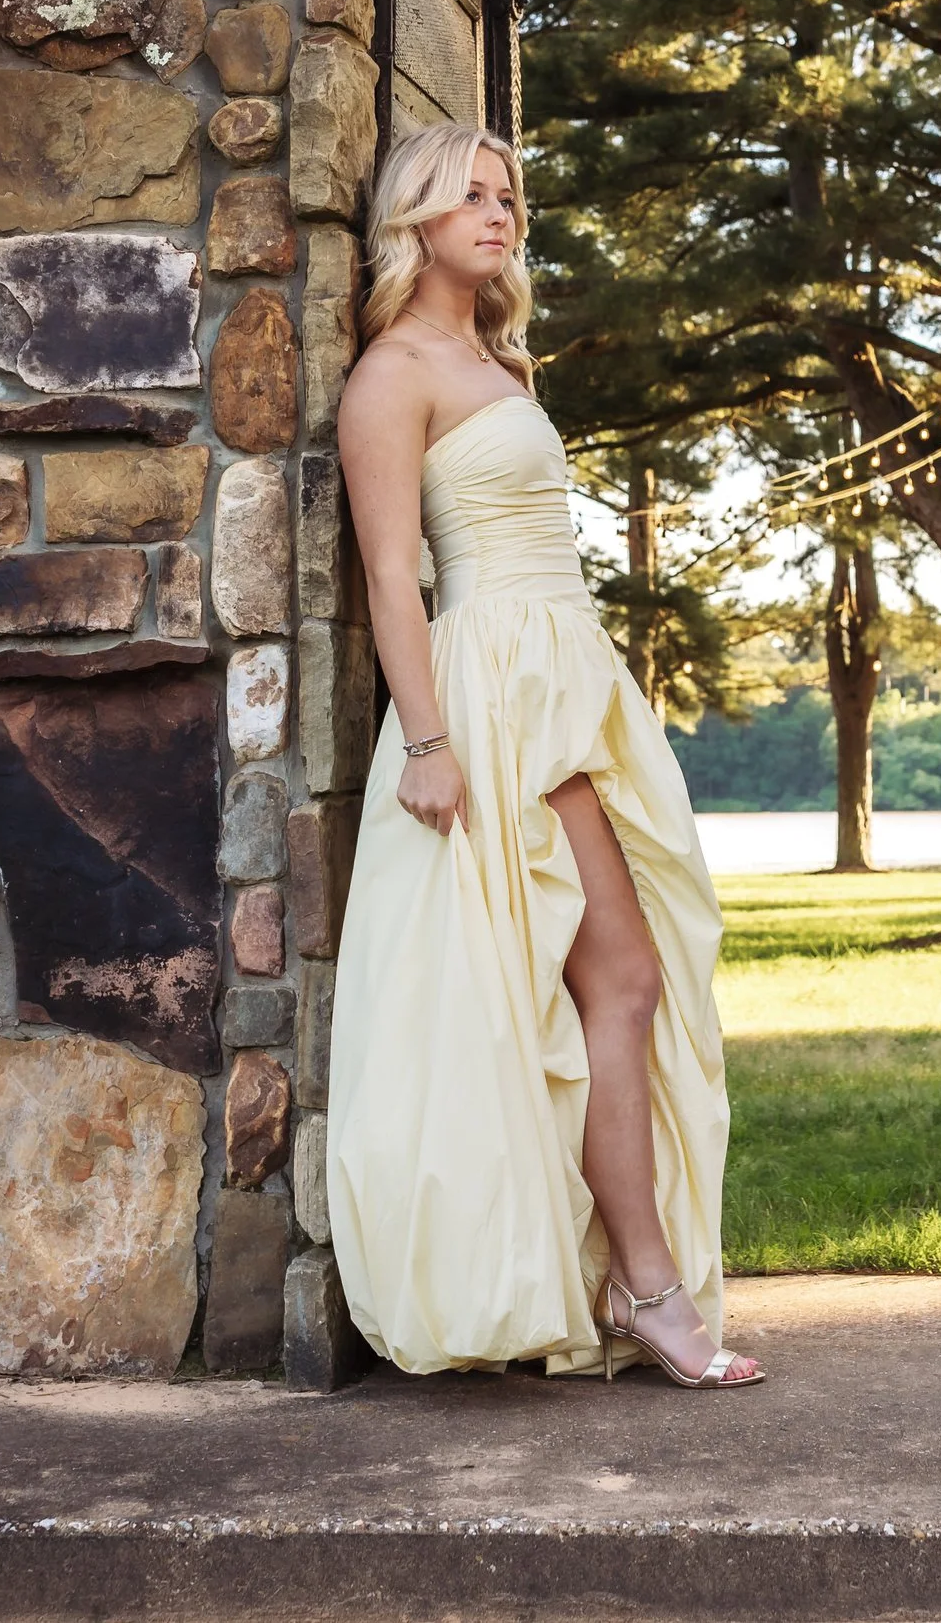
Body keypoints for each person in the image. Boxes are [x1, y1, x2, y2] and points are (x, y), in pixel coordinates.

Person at [324, 121, 760, 1387]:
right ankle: (646, 1286)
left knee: (624, 980)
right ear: (413, 215)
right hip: (496, 695)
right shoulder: (392, 375)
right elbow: (393, 581)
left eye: (507, 194)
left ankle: (636, 1277)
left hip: (562, 671)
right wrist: (429, 742)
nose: (497, 212)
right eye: (468, 194)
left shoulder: (497, 357)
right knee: (615, 976)